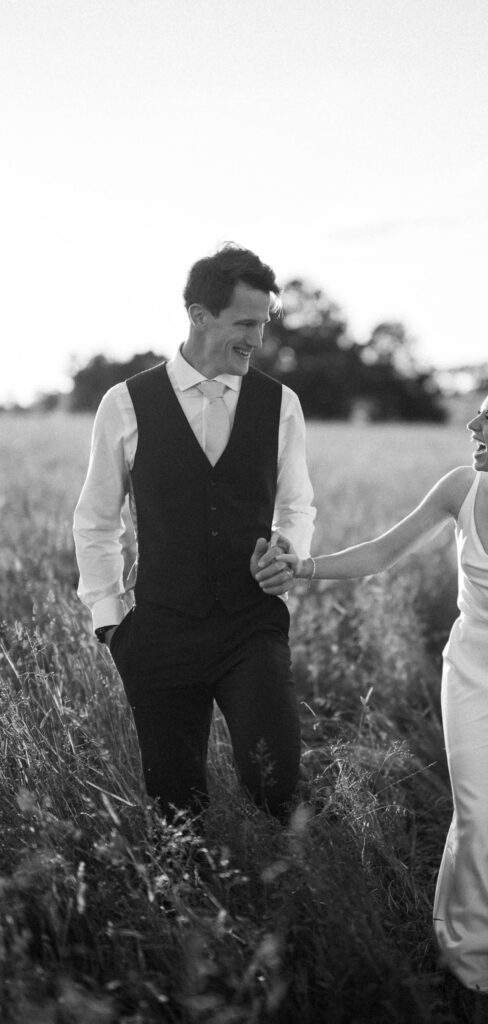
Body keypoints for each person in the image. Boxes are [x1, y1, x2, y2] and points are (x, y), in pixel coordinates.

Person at [253, 382, 488, 1012]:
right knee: (481, 815)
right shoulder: (458, 489)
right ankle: (476, 957)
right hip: (473, 676)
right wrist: (301, 569)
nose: (472, 424)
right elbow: (381, 553)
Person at [73, 242, 315, 824]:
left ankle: (286, 897)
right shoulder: (125, 403)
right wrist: (110, 622)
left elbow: (298, 504)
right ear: (199, 315)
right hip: (160, 630)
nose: (258, 340)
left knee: (277, 783)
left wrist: (288, 553)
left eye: (263, 324)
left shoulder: (280, 404)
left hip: (251, 624)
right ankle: (192, 907)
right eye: (245, 323)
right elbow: (97, 519)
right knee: (177, 806)